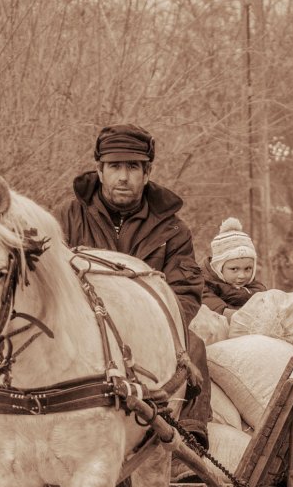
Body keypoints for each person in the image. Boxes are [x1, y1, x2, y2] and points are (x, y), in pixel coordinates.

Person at [53, 123, 211, 447]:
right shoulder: (67, 217)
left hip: (152, 334)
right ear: (99, 170)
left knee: (194, 345)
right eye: (114, 166)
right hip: (83, 331)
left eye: (133, 167)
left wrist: (151, 325)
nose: (123, 177)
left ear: (147, 172)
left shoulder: (172, 229)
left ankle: (190, 437)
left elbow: (186, 290)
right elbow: (47, 280)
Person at [202, 218, 268, 320]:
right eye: (234, 269)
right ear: (218, 268)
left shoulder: (257, 289)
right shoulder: (205, 286)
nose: (242, 275)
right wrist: (225, 312)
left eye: (248, 269)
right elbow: (206, 301)